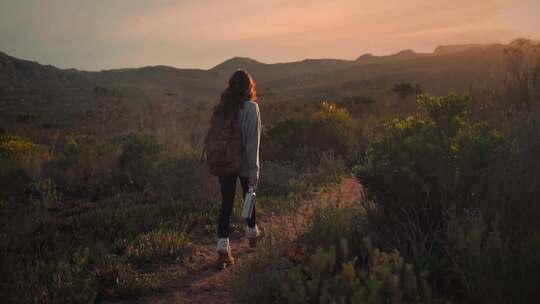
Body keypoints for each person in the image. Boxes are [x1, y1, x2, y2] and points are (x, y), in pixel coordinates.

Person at [207, 69, 261, 269]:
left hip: (226, 161)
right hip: (245, 162)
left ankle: (223, 248)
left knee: (227, 203)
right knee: (249, 196)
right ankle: (252, 232)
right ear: (249, 87)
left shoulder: (223, 108)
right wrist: (254, 169)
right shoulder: (251, 108)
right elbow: (252, 143)